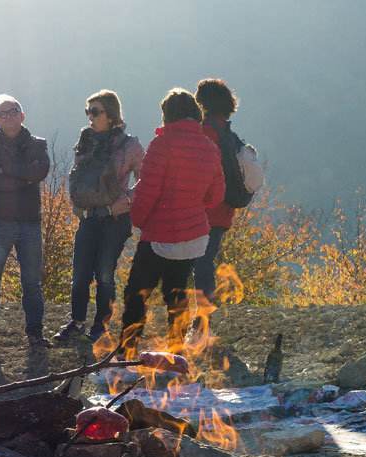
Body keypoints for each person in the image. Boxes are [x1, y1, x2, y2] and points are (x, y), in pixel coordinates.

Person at [117, 88, 224, 357]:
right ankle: (176, 352)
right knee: (176, 294)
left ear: (168, 115)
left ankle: (127, 352)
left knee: (137, 294)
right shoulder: (210, 148)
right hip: (194, 237)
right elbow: (216, 195)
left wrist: (139, 221)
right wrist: (193, 208)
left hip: (160, 236)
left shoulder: (162, 145)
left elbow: (147, 191)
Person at [53, 89, 145, 345]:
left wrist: (126, 201)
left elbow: (146, 179)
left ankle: (101, 326)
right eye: (88, 111)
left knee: (105, 273)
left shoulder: (129, 145)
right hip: (89, 217)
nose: (90, 117)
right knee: (80, 273)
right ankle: (77, 321)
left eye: (95, 111)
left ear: (111, 114)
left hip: (115, 220)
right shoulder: (85, 142)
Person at [0, 94, 52, 350]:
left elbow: (39, 172)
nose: (7, 116)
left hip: (30, 222)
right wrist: (24, 175)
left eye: (12, 111)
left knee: (32, 282)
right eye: (2, 114)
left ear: (23, 114)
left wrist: (6, 170)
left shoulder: (38, 144)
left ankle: (35, 333)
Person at [193, 77, 241, 308]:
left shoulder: (206, 132)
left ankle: (203, 317)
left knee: (199, 262)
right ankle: (204, 315)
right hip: (224, 208)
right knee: (205, 259)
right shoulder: (228, 134)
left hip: (205, 207)